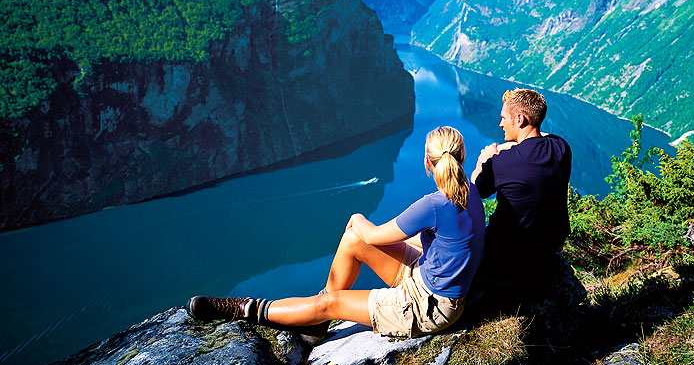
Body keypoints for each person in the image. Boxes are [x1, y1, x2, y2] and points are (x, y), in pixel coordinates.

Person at [187, 126, 485, 343]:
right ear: (461, 156)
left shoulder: (433, 204)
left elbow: (375, 236)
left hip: (428, 307)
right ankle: (317, 323)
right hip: (427, 278)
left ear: (427, 162)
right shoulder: (471, 191)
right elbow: (448, 241)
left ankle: (243, 308)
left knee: (336, 288)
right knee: (353, 240)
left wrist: (356, 217)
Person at [470, 88, 572, 304]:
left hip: (507, 255)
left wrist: (484, 159)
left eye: (503, 117)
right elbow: (541, 138)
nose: (500, 124)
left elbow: (475, 190)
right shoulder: (561, 148)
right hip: (549, 247)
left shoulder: (501, 164)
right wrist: (512, 145)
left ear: (520, 119)